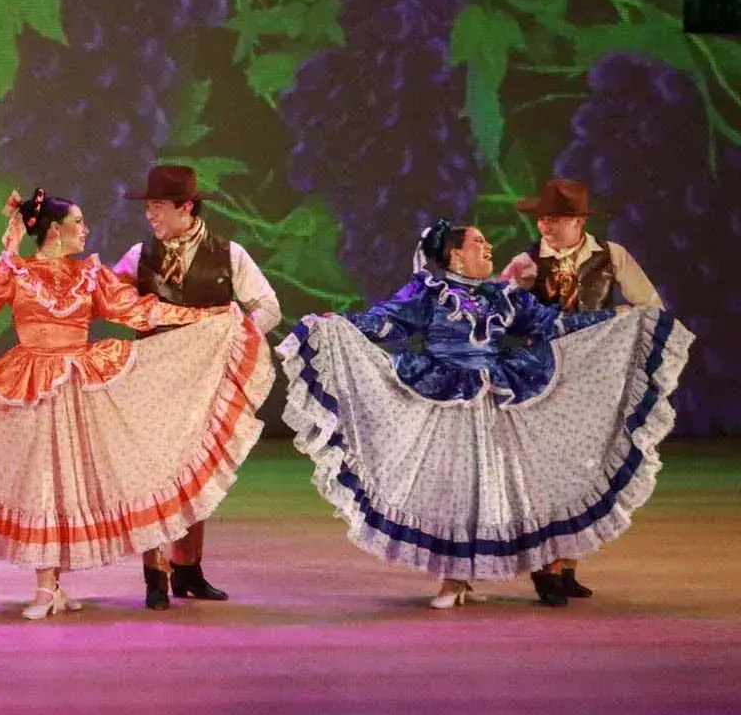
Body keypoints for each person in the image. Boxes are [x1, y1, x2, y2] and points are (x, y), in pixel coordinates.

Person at [0, 189, 274, 618]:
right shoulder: (15, 272)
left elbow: (142, 312)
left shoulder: (91, 276)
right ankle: (45, 587)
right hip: (34, 387)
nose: (85, 230)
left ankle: (54, 586)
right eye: (78, 223)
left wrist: (208, 317)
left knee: (67, 489)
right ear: (55, 231)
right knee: (42, 487)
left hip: (79, 389)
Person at [277, 219, 693, 609]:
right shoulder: (430, 293)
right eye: (478, 242)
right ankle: (453, 579)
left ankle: (475, 576)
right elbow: (386, 321)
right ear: (456, 255)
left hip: (495, 398)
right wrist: (343, 323)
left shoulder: (502, 296)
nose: (488, 246)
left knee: (490, 489)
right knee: (455, 490)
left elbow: (551, 325)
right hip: (447, 400)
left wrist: (612, 316)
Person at [111, 165, 280, 607]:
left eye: (158, 207)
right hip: (152, 382)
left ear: (185, 207)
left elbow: (268, 307)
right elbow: (108, 298)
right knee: (153, 474)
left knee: (194, 473)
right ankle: (155, 575)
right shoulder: (139, 255)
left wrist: (234, 339)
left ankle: (188, 569)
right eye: (148, 207)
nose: (150, 215)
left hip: (203, 385)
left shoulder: (228, 254)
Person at [497, 177, 665, 599]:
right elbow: (498, 314)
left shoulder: (611, 256)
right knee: (548, 472)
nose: (544, 227)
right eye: (541, 219)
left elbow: (650, 305)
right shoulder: (527, 263)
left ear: (577, 222)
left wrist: (622, 326)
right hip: (545, 378)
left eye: (553, 219)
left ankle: (569, 564)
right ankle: (546, 568)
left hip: (593, 379)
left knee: (585, 468)